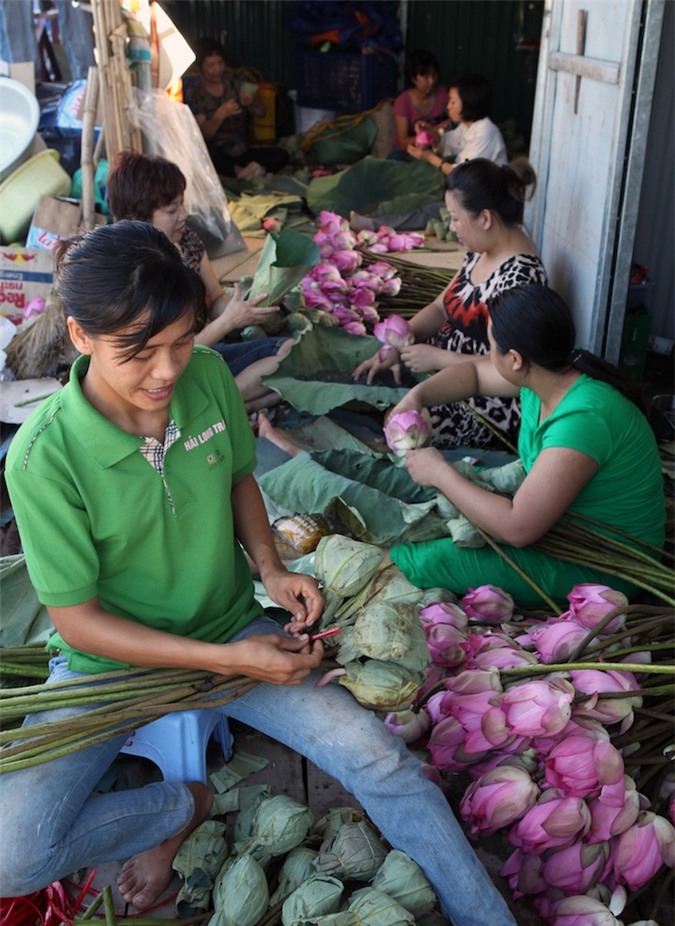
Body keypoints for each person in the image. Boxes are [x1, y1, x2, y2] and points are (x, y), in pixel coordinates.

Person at [1, 222, 516, 926]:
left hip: (229, 627)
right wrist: (226, 659)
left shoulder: (207, 379)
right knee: (12, 853)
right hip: (107, 664)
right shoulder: (41, 457)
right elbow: (78, 620)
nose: (166, 371)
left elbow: (241, 477)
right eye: (138, 352)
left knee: (383, 763)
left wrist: (270, 571)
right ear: (81, 336)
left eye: (182, 340)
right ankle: (184, 805)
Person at [385, 284, 665, 605]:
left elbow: (518, 529)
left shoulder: (583, 418)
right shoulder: (547, 368)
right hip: (564, 531)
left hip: (606, 565)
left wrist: (440, 474)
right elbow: (473, 375)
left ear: (515, 359)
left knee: (431, 559)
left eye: (491, 346)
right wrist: (416, 397)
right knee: (450, 526)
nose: (488, 355)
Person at [354, 158, 547, 449]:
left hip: (486, 401)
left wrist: (438, 359)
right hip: (443, 371)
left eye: (456, 218)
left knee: (400, 428)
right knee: (368, 379)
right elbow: (441, 306)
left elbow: (509, 373)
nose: (451, 226)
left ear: (484, 218)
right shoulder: (481, 249)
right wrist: (402, 341)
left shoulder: (521, 278)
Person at [107, 150, 293, 414]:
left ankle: (213, 410)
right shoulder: (132, 268)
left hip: (204, 352)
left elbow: (216, 298)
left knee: (289, 353)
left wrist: (246, 308)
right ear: (139, 216)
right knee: (276, 389)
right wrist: (229, 322)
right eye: (172, 210)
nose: (183, 215)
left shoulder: (189, 242)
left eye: (182, 204)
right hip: (161, 371)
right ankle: (220, 409)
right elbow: (165, 352)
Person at [185, 38, 289, 180]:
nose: (217, 69)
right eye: (211, 65)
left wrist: (251, 102)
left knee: (282, 155)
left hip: (240, 151)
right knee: (203, 152)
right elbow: (202, 136)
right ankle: (243, 172)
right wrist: (219, 116)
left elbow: (261, 112)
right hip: (217, 152)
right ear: (201, 67)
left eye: (220, 63)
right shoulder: (195, 92)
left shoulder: (234, 81)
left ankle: (239, 173)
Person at [408, 73, 507, 174]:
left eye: (453, 102)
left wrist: (430, 158)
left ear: (468, 103)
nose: (448, 106)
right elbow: (448, 146)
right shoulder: (466, 126)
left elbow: (462, 173)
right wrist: (431, 133)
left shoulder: (485, 132)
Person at [390, 49, 447, 160]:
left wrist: (447, 125)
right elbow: (403, 142)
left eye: (434, 76)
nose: (431, 81)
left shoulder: (442, 94)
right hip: (406, 152)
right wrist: (433, 132)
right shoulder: (403, 102)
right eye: (426, 77)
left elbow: (454, 122)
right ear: (413, 79)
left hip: (433, 149)